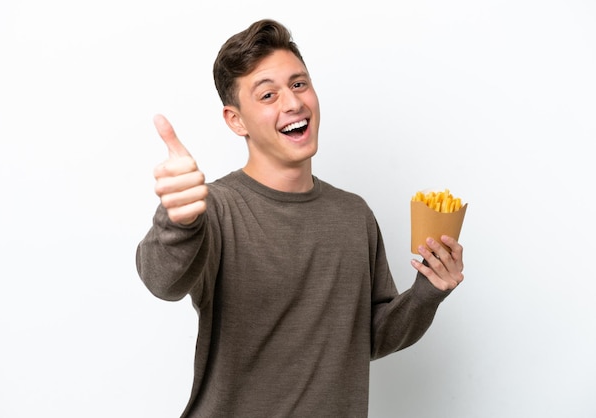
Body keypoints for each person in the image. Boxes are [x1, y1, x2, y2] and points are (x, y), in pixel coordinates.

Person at [136, 18, 464, 418]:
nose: (292, 103)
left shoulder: (353, 214)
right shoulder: (216, 209)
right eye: (267, 94)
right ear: (236, 120)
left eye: (298, 84)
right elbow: (161, 281)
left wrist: (428, 290)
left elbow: (367, 338)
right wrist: (177, 222)